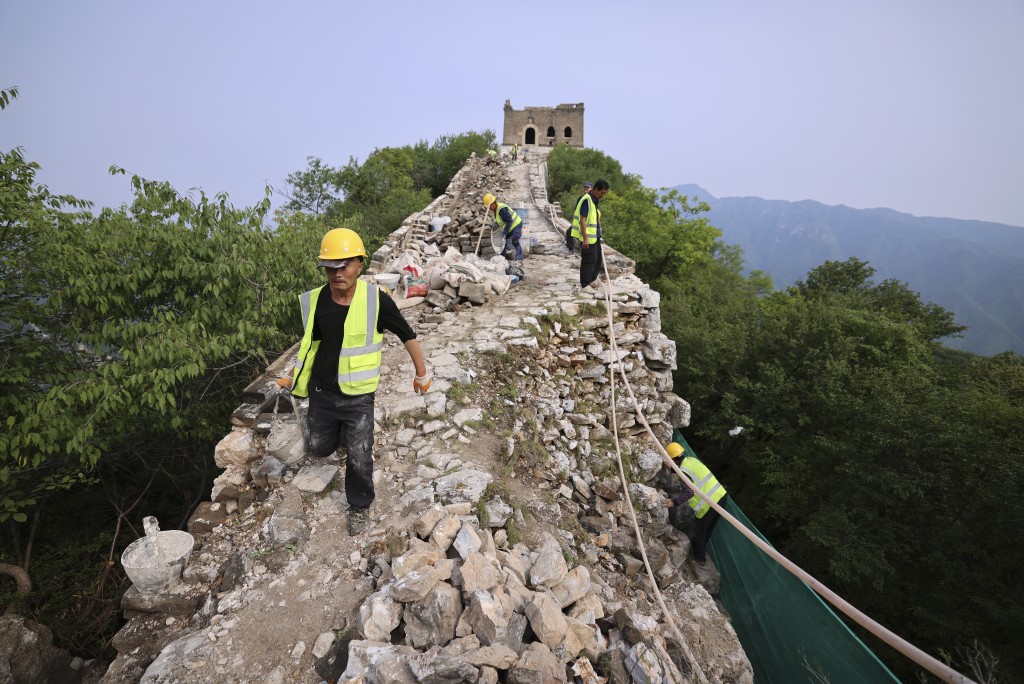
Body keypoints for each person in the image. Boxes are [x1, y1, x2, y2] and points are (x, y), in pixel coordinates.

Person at [274, 228, 431, 535]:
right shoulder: (315, 301)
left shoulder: (377, 302)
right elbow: (310, 344)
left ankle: (359, 505)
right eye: (330, 267)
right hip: (321, 390)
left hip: (358, 396)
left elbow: (407, 336)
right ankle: (341, 435)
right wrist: (292, 375)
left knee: (359, 456)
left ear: (360, 263)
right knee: (318, 448)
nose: (336, 273)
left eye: (343, 265)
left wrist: (421, 373)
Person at [662, 441, 728, 565]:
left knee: (701, 530)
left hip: (708, 504)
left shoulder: (683, 471)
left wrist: (674, 502)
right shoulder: (691, 460)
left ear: (673, 460)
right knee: (708, 529)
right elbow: (689, 474)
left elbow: (689, 492)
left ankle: (699, 557)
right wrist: (673, 469)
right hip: (721, 496)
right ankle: (700, 550)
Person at [571, 179, 609, 289]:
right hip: (588, 238)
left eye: (604, 193)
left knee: (597, 260)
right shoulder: (586, 200)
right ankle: (585, 284)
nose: (603, 196)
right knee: (588, 261)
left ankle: (591, 281)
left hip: (595, 237)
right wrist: (585, 239)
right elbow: (582, 220)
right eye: (602, 193)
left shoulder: (594, 200)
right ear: (596, 189)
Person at [483, 193, 524, 278]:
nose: (489, 208)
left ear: (493, 204)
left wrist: (505, 232)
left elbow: (509, 221)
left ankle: (519, 258)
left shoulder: (502, 209)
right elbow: (501, 220)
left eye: (489, 206)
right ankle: (502, 258)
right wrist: (496, 224)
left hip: (516, 224)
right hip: (510, 227)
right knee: (503, 243)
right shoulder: (496, 210)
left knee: (515, 240)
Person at [565, 182, 593, 255]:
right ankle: (571, 249)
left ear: (591, 189)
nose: (586, 189)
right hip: (579, 222)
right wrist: (574, 221)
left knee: (583, 237)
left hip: (587, 224)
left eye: (588, 188)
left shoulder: (592, 199)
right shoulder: (580, 198)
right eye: (585, 187)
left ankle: (583, 253)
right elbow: (576, 211)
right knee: (569, 232)